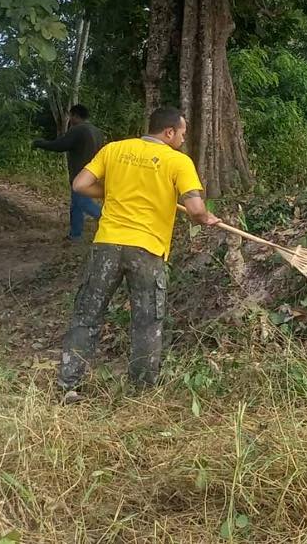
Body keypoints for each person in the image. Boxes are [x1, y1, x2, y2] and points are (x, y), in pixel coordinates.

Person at [56, 106, 221, 402]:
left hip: (107, 244)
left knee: (88, 314)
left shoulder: (115, 149)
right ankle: (141, 392)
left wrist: (112, 191)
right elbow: (195, 209)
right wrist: (206, 218)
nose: (183, 138)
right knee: (147, 320)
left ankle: (69, 384)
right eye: (182, 132)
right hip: (147, 249)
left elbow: (80, 185)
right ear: (169, 132)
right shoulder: (177, 161)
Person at [33, 104, 106, 241]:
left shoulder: (78, 130)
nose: (70, 119)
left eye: (71, 116)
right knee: (76, 205)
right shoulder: (97, 131)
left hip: (80, 174)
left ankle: (107, 219)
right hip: (94, 174)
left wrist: (40, 143)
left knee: (82, 203)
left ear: (76, 116)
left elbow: (60, 145)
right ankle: (75, 234)